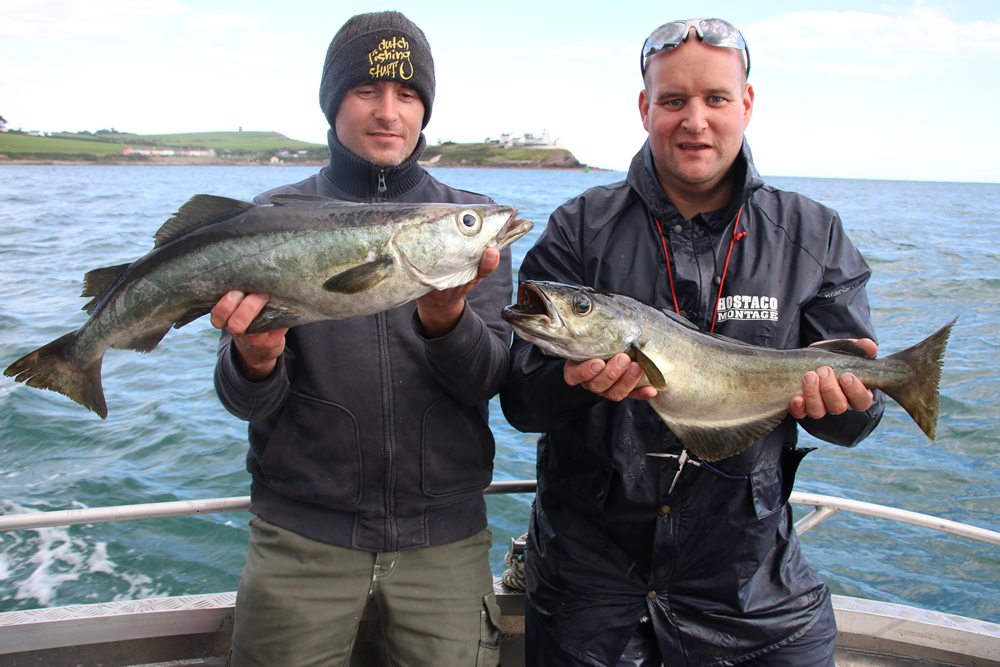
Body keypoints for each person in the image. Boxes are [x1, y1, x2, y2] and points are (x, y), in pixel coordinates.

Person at [501, 17, 886, 666]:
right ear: (645, 106)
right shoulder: (577, 229)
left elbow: (855, 423)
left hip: (752, 593)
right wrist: (567, 381)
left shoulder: (813, 234)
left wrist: (848, 400)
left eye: (715, 98)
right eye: (674, 100)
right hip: (588, 596)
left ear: (748, 104)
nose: (695, 120)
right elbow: (521, 404)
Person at [210, 11, 509, 666]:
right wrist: (254, 359)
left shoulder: (471, 226)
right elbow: (244, 401)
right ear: (333, 100)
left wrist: (447, 320)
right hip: (299, 541)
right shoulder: (272, 218)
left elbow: (490, 379)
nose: (388, 112)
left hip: (446, 546)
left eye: (407, 94)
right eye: (366, 90)